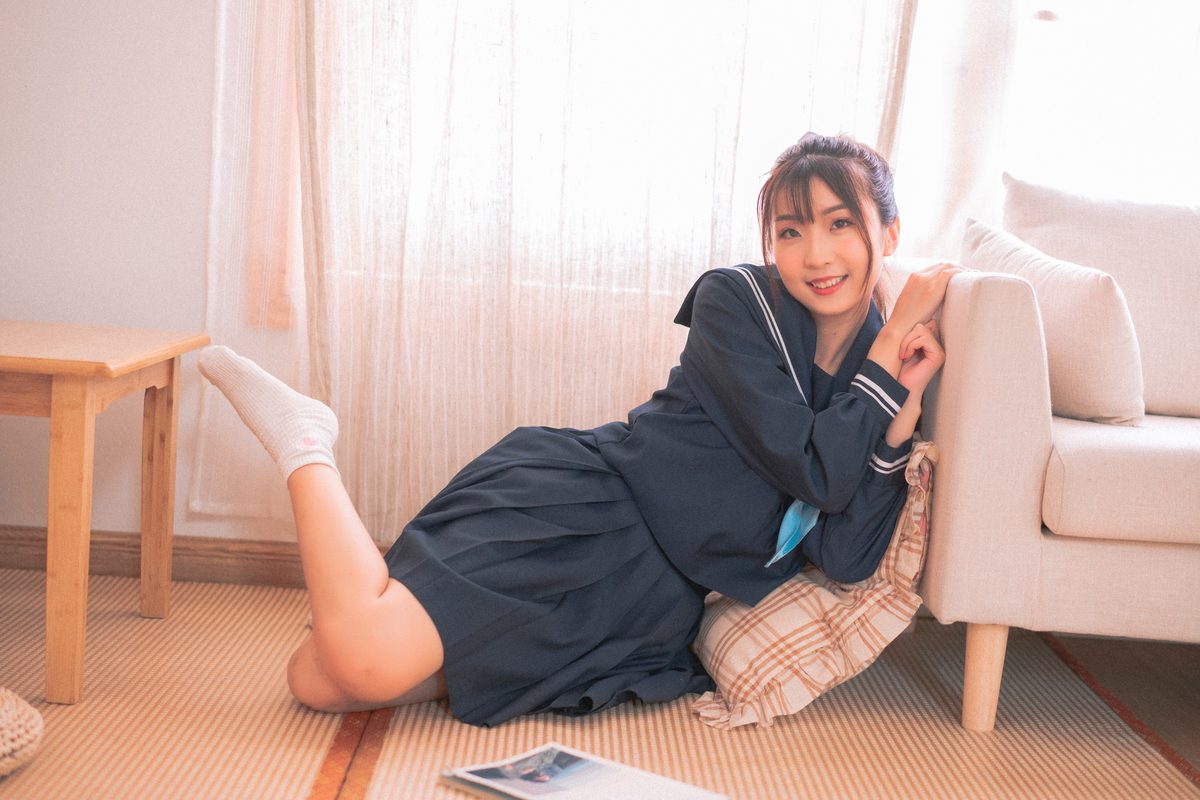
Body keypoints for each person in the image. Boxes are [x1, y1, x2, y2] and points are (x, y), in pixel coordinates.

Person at [197, 132, 959, 728]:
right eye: (790, 231)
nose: (815, 255)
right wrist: (891, 350)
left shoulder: (874, 387)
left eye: (840, 225)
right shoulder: (736, 301)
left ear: (888, 233)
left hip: (650, 603)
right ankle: (304, 442)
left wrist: (898, 427)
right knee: (359, 661)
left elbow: (844, 558)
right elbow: (813, 469)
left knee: (317, 681)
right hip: (587, 512)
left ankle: (368, 601)